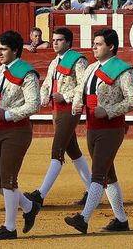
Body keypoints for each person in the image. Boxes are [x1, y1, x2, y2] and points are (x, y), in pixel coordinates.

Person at [65, 28, 133, 234]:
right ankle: (121, 220)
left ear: (111, 46)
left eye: (98, 44)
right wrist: (76, 104)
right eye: (94, 43)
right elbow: (80, 89)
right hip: (92, 126)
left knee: (98, 174)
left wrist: (108, 111)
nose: (94, 47)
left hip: (111, 128)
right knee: (108, 175)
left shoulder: (124, 70)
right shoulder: (90, 68)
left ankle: (83, 218)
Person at [0, 30, 41, 241]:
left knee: (8, 179)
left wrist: (7, 114)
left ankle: (9, 227)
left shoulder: (27, 74)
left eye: (4, 49)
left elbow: (34, 104)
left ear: (15, 50)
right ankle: (28, 206)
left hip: (18, 130)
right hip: (0, 130)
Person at [27, 27, 92, 207]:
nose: (55, 43)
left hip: (70, 110)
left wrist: (66, 96)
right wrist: (43, 98)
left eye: (59, 40)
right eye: (54, 40)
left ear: (69, 42)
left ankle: (40, 194)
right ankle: (92, 190)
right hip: (57, 110)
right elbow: (47, 84)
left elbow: (83, 85)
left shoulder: (78, 61)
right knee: (73, 151)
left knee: (57, 150)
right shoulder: (55, 61)